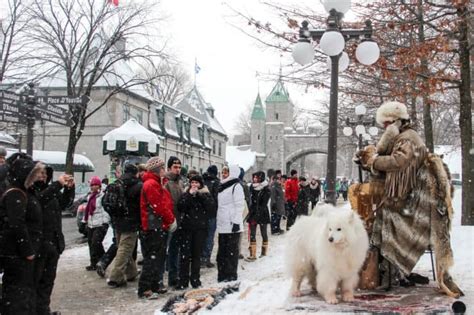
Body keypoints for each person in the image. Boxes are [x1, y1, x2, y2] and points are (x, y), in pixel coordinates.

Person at [356, 101, 463, 297]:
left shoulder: (407, 138)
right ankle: (391, 272)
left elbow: (399, 162)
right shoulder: (404, 136)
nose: (384, 128)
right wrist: (367, 161)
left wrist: (373, 161)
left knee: (384, 221)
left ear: (394, 122)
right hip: (412, 199)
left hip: (417, 204)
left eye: (386, 125)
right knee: (381, 219)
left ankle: (391, 272)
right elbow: (393, 164)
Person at [0, 154, 44, 314]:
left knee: (23, 292)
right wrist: (28, 251)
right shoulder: (15, 193)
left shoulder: (22, 191)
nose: (36, 178)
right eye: (33, 175)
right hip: (16, 254)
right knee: (17, 294)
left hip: (20, 254)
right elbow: (17, 224)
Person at [34, 166, 75, 315]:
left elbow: (64, 204)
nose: (43, 177)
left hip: (53, 242)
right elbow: (40, 200)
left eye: (45, 174)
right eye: (40, 173)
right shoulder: (33, 191)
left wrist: (69, 189)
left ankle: (43, 309)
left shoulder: (51, 191)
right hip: (39, 244)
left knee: (48, 281)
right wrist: (57, 185)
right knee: (37, 281)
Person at [138, 157, 177, 299]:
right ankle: (144, 288)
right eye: (163, 168)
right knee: (152, 258)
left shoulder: (154, 182)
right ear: (158, 169)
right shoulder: (151, 184)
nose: (165, 171)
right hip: (153, 226)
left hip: (156, 225)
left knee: (157, 257)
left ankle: (154, 285)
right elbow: (159, 206)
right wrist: (170, 219)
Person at [176, 175, 215, 289]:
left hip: (200, 230)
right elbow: (180, 206)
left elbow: (211, 208)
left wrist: (199, 195)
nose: (194, 185)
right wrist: (189, 195)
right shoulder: (186, 194)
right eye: (192, 182)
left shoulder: (206, 194)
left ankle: (195, 279)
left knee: (196, 256)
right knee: (184, 256)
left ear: (201, 184)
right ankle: (183, 281)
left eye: (197, 183)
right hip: (186, 229)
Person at [107, 164, 142, 287]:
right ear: (135, 173)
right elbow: (140, 206)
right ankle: (115, 277)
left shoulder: (118, 183)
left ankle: (131, 272)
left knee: (123, 247)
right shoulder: (137, 185)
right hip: (130, 221)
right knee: (125, 248)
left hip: (117, 220)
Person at [216, 165, 245, 282]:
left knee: (231, 252)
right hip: (223, 224)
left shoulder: (236, 186)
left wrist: (236, 222)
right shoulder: (223, 186)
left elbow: (239, 205)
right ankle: (222, 275)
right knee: (222, 253)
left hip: (232, 224)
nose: (223, 174)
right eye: (223, 171)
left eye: (226, 172)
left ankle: (231, 275)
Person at [161, 156, 184, 289]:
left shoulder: (180, 182)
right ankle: (166, 277)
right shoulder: (166, 182)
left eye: (179, 167)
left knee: (175, 249)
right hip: (169, 220)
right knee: (166, 249)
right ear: (169, 168)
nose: (178, 169)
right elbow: (166, 202)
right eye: (175, 167)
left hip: (179, 219)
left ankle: (174, 277)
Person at [83, 176, 110, 271]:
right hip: (91, 223)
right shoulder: (90, 197)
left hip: (100, 223)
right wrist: (85, 221)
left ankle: (104, 260)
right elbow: (87, 211)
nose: (93, 187)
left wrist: (105, 223)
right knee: (91, 243)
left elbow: (105, 210)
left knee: (96, 243)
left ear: (99, 186)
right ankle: (93, 263)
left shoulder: (102, 196)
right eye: (92, 185)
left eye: (95, 185)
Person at [245, 171, 271, 261]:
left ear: (261, 178)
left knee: (264, 233)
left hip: (262, 213)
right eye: (254, 177)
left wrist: (257, 213)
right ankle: (253, 254)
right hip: (253, 212)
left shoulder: (266, 189)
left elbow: (264, 204)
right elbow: (250, 200)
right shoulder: (251, 187)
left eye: (257, 178)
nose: (255, 179)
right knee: (252, 233)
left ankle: (264, 252)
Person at [201, 165, 220, 268]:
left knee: (201, 235)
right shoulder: (216, 182)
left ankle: (200, 257)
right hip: (212, 213)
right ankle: (205, 258)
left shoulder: (202, 180)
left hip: (201, 213)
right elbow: (217, 198)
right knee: (209, 236)